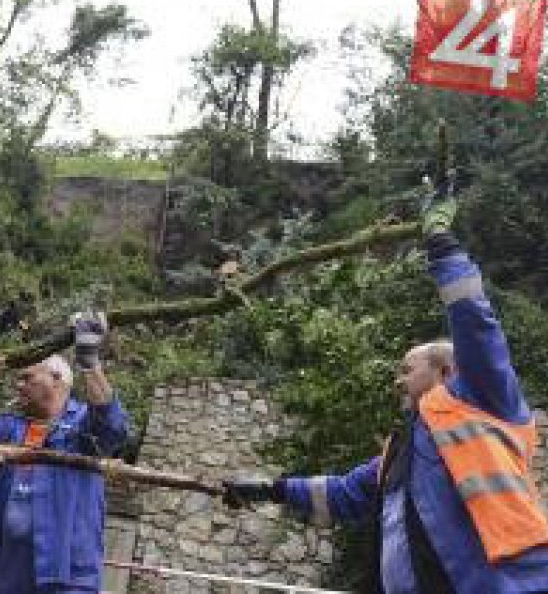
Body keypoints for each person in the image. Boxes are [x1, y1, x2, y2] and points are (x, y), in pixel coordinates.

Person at [223, 178, 548, 593]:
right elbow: (341, 494)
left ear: (447, 373)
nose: (398, 381)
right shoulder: (402, 454)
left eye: (407, 369)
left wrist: (442, 243)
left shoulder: (484, 400)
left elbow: (475, 322)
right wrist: (271, 490)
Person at [0, 311, 130, 594]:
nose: (18, 385)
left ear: (57, 379)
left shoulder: (82, 429)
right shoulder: (10, 427)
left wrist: (89, 359)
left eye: (27, 377)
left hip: (65, 577)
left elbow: (112, 427)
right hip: (4, 575)